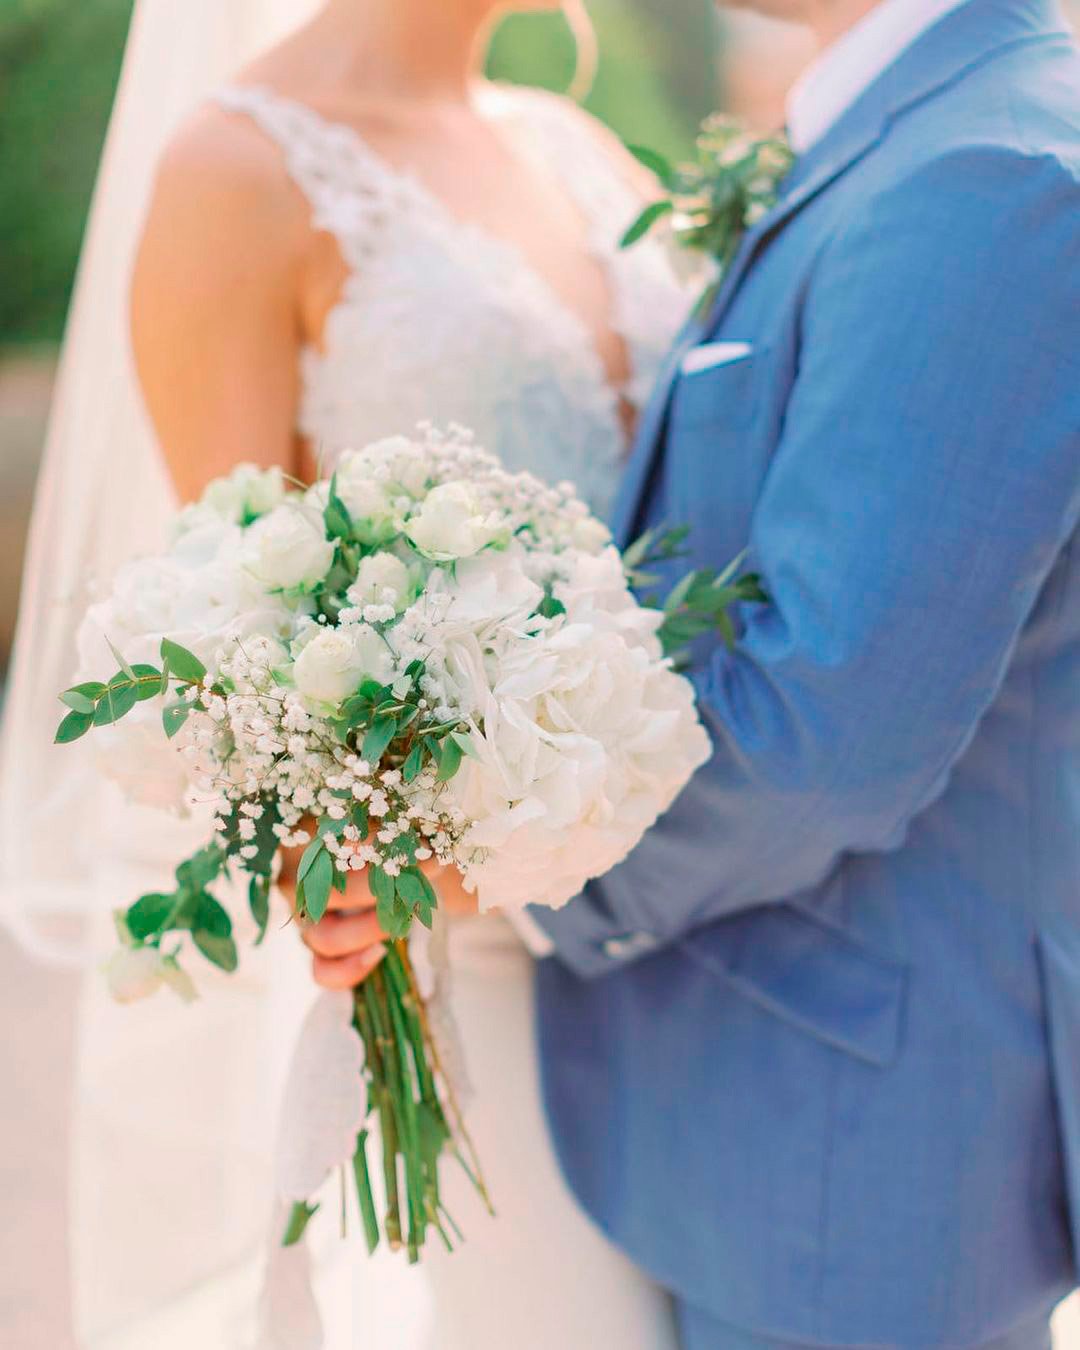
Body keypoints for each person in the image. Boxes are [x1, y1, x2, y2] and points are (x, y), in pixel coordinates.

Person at [318, 0, 1080, 1343]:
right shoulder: (910, 126)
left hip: (850, 1161)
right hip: (741, 1103)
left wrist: (486, 861)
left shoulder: (991, 173)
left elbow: (822, 729)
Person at [0, 0, 693, 1345]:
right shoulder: (236, 175)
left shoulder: (575, 151)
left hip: (718, 935)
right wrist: (353, 857)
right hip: (465, 975)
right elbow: (240, 659)